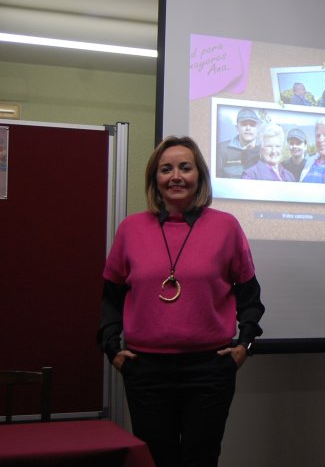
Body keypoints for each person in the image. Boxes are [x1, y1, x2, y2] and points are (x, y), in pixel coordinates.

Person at [97, 136, 265, 467]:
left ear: (199, 176)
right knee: (158, 461)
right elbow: (111, 296)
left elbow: (249, 294)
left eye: (185, 168)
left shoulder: (226, 226)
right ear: (154, 179)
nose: (176, 176)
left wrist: (245, 343)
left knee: (200, 460)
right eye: (166, 169)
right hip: (145, 370)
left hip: (209, 370)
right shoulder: (130, 229)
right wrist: (112, 349)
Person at [216, 108, 261, 178]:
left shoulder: (265, 150)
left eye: (252, 125)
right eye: (244, 124)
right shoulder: (221, 149)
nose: (248, 128)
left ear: (258, 128)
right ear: (237, 127)